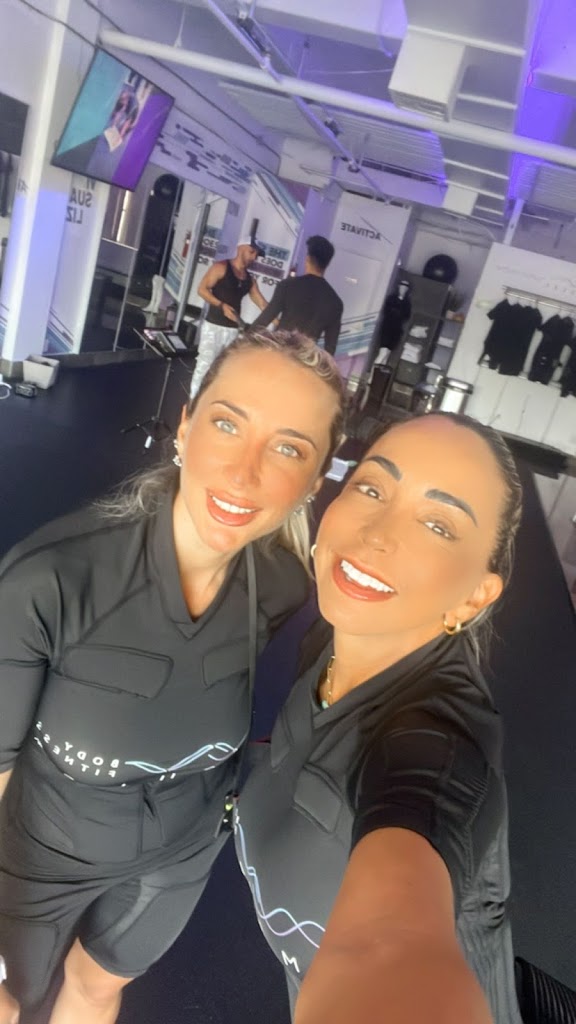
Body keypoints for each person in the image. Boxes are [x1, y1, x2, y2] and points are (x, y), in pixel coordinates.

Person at [0, 330, 346, 1024]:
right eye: (228, 424)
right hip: (39, 856)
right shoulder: (49, 582)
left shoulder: (280, 585)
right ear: (185, 427)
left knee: (97, 988)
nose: (244, 474)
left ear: (314, 483)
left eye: (288, 448)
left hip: (179, 854)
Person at [236, 412, 525, 1024]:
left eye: (438, 525)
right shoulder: (334, 635)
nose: (377, 533)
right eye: (371, 487)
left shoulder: (437, 745)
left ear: (474, 596)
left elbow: (391, 944)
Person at [190, 238, 268, 398]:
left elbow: (262, 303)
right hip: (213, 327)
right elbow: (202, 289)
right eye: (252, 252)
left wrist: (279, 321)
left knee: (224, 370)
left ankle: (211, 401)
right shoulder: (221, 267)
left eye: (256, 254)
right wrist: (221, 305)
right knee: (204, 366)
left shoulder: (249, 280)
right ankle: (193, 402)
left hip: (233, 330)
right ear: (241, 248)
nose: (254, 257)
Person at [251, 235, 344, 355]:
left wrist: (244, 342)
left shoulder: (288, 285)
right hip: (305, 360)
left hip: (279, 353)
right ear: (327, 264)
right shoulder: (335, 302)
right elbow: (330, 348)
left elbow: (265, 318)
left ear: (308, 259)